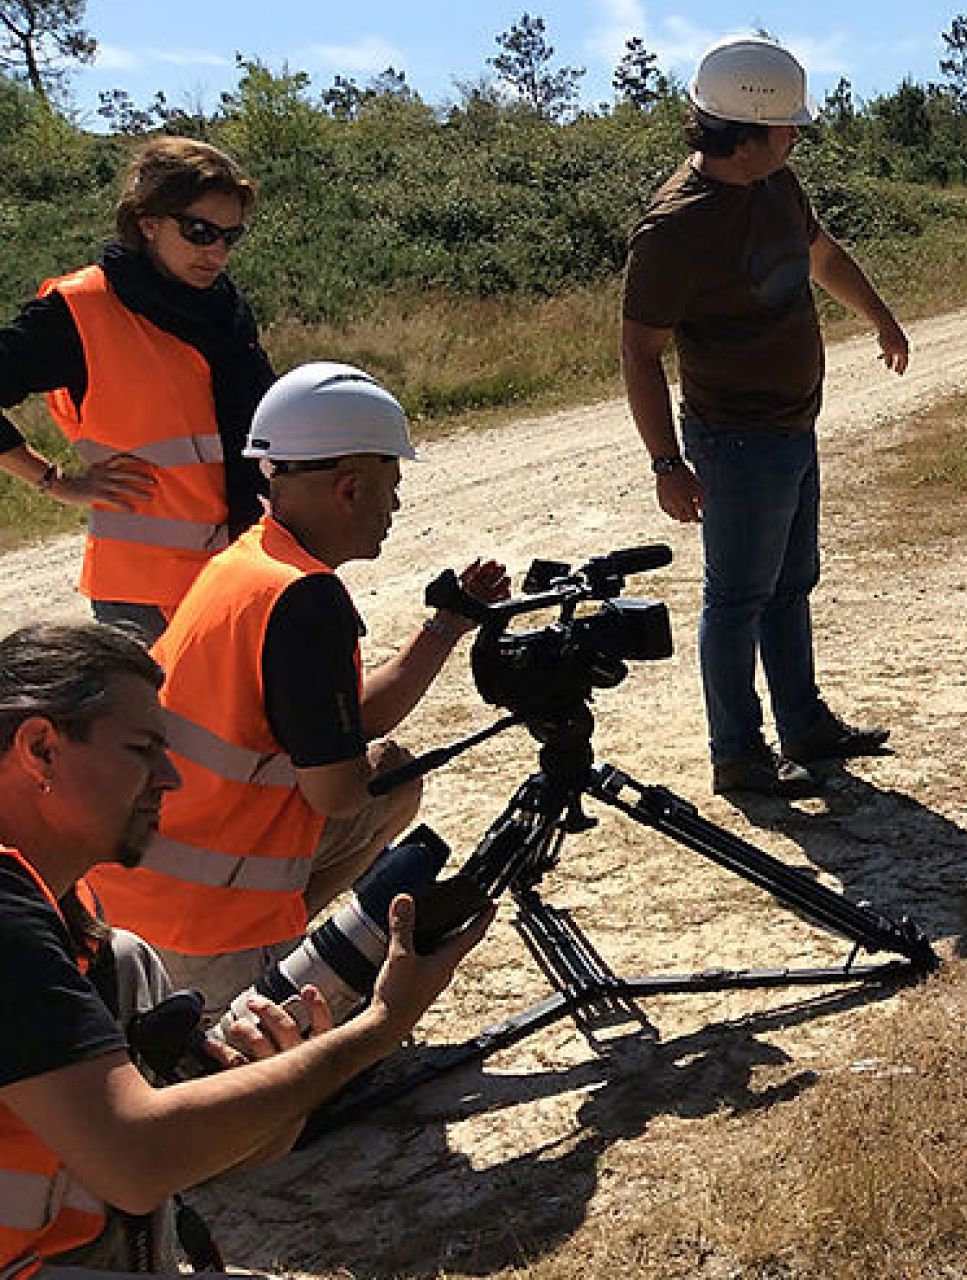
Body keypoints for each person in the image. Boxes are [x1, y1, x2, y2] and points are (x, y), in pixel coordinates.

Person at [0, 621, 492, 1280]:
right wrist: (377, 1028)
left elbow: (203, 1161)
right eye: (143, 749)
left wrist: (272, 1076)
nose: (168, 777)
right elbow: (137, 1161)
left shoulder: (82, 931)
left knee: (129, 961)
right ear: (42, 749)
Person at [86, 362, 508, 1012]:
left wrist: (446, 628)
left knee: (394, 774)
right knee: (327, 1077)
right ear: (348, 488)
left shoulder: (249, 564)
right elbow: (336, 792)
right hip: (201, 929)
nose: (394, 506)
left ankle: (275, 926)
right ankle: (257, 961)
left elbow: (339, 725)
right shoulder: (305, 600)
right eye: (390, 487)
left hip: (129, 902)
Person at [621, 35, 910, 799]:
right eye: (787, 127)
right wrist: (665, 463)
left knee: (790, 585)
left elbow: (823, 255)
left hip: (793, 426)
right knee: (738, 596)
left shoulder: (777, 185)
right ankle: (739, 755)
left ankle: (804, 725)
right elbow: (640, 353)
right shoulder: (673, 228)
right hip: (734, 440)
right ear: (743, 137)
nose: (798, 135)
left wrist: (879, 317)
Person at [0, 138, 277, 643]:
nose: (216, 251)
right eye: (200, 232)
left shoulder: (222, 308)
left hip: (245, 565)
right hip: (147, 597)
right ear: (148, 223)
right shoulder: (80, 311)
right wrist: (54, 481)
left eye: (230, 237)